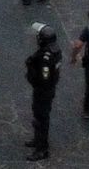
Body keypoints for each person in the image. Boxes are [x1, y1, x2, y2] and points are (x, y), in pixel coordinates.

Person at [25, 25, 61, 161]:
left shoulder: (46, 57)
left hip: (43, 91)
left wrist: (32, 70)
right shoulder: (55, 50)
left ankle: (42, 149)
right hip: (47, 90)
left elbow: (44, 77)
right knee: (38, 115)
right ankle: (37, 140)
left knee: (41, 119)